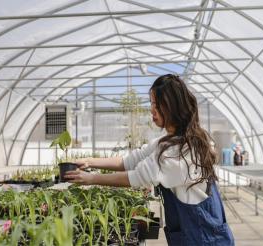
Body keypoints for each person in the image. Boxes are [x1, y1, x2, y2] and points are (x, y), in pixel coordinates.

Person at [65, 74, 235, 246]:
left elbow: (136, 177)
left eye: (156, 104)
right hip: (198, 233)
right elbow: (130, 161)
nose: (151, 109)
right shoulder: (174, 141)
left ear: (172, 106)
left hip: (203, 239)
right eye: (151, 103)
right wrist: (89, 161)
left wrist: (91, 179)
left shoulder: (180, 151)